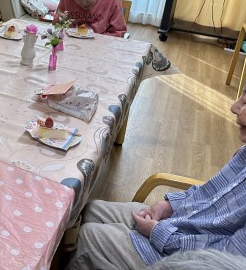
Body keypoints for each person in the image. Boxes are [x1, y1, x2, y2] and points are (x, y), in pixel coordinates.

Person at [66, 87, 246, 269]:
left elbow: (221, 259)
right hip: (183, 227)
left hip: (184, 259)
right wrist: (168, 206)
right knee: (91, 211)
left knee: (90, 238)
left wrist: (158, 232)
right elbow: (209, 194)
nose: (234, 107)